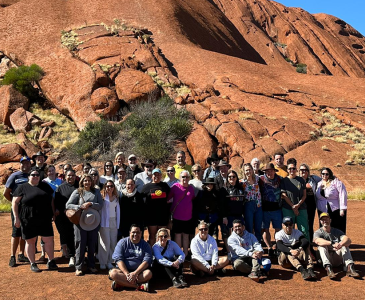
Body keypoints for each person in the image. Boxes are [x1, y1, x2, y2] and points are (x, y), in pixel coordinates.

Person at [12, 169, 58, 272]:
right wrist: (16, 217)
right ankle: (33, 263)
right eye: (33, 174)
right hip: (28, 218)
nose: (36, 176)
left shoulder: (45, 186)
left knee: (49, 239)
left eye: (38, 175)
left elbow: (51, 200)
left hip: (45, 218)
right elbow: (14, 203)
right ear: (29, 176)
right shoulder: (22, 187)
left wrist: (53, 212)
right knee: (31, 241)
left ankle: (51, 261)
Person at [66, 174, 104, 275]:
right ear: (82, 182)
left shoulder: (96, 192)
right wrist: (80, 206)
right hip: (80, 222)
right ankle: (79, 266)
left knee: (92, 244)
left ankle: (91, 265)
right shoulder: (78, 192)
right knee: (80, 243)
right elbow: (68, 204)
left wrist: (91, 204)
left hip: (93, 221)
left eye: (89, 180)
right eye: (85, 180)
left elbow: (101, 205)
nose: (87, 182)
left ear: (92, 182)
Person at [313, 212, 360, 279]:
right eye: (323, 220)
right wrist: (331, 243)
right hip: (324, 260)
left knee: (345, 246)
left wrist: (340, 244)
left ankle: (350, 268)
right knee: (321, 246)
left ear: (330, 220)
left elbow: (348, 240)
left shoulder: (336, 231)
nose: (325, 221)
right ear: (320, 221)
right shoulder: (318, 232)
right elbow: (317, 241)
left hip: (335, 258)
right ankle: (328, 269)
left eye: (326, 219)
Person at [4, 156, 31, 267]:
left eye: (27, 163)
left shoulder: (32, 175)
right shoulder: (14, 176)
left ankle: (21, 254)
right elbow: (6, 193)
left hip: (28, 209)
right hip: (17, 208)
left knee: (24, 232)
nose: (25, 165)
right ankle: (12, 256)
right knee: (16, 232)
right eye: (22, 163)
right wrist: (14, 203)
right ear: (19, 165)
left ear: (30, 164)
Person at [110, 225, 153, 292]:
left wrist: (135, 273)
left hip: (139, 273)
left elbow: (147, 260)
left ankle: (122, 284)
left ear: (141, 233)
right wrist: (127, 274)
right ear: (130, 232)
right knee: (113, 273)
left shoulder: (145, 245)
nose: (135, 234)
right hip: (123, 272)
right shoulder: (122, 242)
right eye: (133, 232)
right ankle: (138, 286)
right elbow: (118, 259)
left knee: (148, 273)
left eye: (138, 232)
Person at [54, 169, 79, 267]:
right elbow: (57, 202)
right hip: (66, 217)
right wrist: (62, 210)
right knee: (69, 236)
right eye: (69, 175)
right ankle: (72, 256)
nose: (71, 177)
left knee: (78, 236)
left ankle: (79, 256)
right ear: (65, 176)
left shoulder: (79, 186)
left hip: (78, 216)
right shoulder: (60, 188)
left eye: (73, 175)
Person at [168, 170, 195, 256]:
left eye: (187, 177)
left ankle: (186, 254)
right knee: (178, 235)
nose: (185, 178)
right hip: (177, 216)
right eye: (183, 177)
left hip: (188, 217)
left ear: (189, 178)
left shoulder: (191, 188)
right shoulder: (175, 187)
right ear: (180, 178)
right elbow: (168, 199)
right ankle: (179, 255)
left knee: (186, 236)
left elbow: (192, 199)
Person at [281, 158, 310, 240]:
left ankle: (306, 249)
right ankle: (291, 248)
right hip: (288, 208)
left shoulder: (301, 180)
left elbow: (304, 195)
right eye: (290, 168)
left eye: (293, 168)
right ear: (287, 170)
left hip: (301, 208)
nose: (292, 170)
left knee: (304, 229)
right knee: (289, 229)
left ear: (296, 169)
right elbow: (284, 195)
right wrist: (293, 206)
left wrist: (298, 205)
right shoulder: (284, 181)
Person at [258, 163, 283, 257]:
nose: (269, 173)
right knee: (265, 229)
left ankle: (276, 246)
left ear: (274, 171)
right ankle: (269, 247)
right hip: (265, 209)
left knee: (278, 229)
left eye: (271, 171)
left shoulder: (280, 179)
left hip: (277, 208)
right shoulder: (260, 179)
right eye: (267, 171)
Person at [141, 168, 171, 246]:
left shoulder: (165, 186)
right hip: (151, 216)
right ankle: (152, 254)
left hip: (163, 215)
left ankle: (161, 253)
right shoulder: (147, 187)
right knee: (152, 236)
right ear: (152, 176)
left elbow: (170, 199)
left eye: (158, 174)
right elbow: (142, 200)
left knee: (163, 236)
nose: (156, 176)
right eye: (155, 175)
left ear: (161, 176)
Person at [316, 167, 348, 233]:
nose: (324, 176)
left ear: (330, 174)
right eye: (323, 174)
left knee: (337, 225)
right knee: (324, 225)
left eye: (326, 174)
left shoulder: (336, 182)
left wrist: (342, 209)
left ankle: (339, 241)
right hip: (323, 209)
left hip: (335, 208)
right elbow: (317, 196)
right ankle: (326, 240)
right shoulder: (319, 184)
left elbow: (343, 194)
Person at [220, 169, 245, 252]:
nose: (232, 178)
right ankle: (229, 251)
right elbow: (222, 204)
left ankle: (239, 251)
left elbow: (244, 202)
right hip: (228, 216)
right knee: (227, 233)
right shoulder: (224, 190)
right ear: (227, 178)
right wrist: (224, 217)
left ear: (236, 178)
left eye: (233, 176)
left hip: (239, 215)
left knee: (240, 233)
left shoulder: (241, 188)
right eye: (230, 177)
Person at [299, 163, 321, 251]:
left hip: (311, 205)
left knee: (310, 223)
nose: (303, 171)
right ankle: (302, 243)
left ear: (308, 171)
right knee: (302, 224)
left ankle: (310, 244)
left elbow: (324, 179)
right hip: (301, 205)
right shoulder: (297, 180)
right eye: (301, 170)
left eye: (305, 170)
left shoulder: (313, 179)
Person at [99, 180, 120, 270]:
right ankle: (102, 262)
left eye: (111, 186)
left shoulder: (116, 197)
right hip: (104, 222)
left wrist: (117, 223)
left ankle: (109, 261)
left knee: (113, 242)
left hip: (113, 222)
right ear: (105, 187)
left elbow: (118, 211)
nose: (109, 188)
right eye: (107, 186)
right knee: (105, 243)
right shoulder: (102, 197)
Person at [240, 163, 263, 242]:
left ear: (252, 170)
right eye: (246, 170)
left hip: (258, 205)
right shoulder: (242, 182)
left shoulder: (258, 179)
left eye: (249, 169)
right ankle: (250, 244)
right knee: (249, 227)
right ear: (244, 172)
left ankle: (258, 244)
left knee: (258, 227)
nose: (248, 171)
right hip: (248, 205)